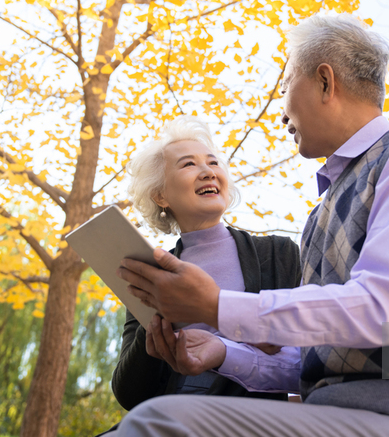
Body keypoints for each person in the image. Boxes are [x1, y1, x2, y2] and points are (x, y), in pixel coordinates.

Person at [115, 14, 389, 437]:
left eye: (285, 85)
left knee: (160, 423)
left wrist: (216, 307)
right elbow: (315, 359)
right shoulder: (320, 215)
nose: (281, 109)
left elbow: (383, 308)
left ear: (324, 82)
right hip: (330, 417)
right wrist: (222, 353)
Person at [110, 117, 302, 412]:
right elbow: (128, 394)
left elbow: (312, 348)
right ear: (161, 195)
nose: (208, 172)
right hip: (173, 416)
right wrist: (153, 324)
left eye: (213, 163)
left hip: (253, 417)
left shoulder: (279, 254)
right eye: (188, 165)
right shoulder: (152, 275)